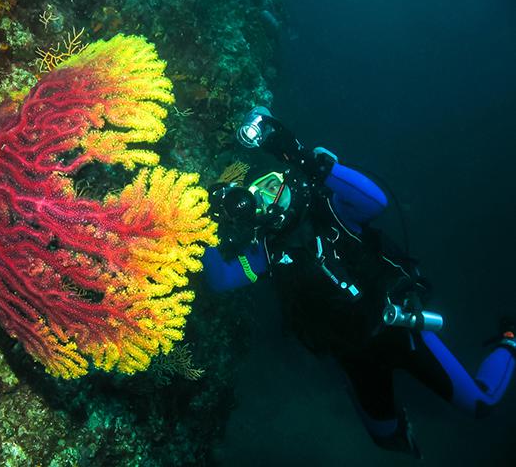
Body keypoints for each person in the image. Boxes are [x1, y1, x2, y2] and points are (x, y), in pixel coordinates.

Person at [202, 106, 516, 458]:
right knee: (386, 438)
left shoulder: (332, 209)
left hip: (400, 327)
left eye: (271, 184)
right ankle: (394, 422)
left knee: (480, 403)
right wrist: (203, 226)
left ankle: (509, 341)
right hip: (354, 356)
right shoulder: (267, 249)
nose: (263, 196)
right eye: (256, 195)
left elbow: (375, 200)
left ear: (289, 180)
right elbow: (220, 278)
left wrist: (315, 164)